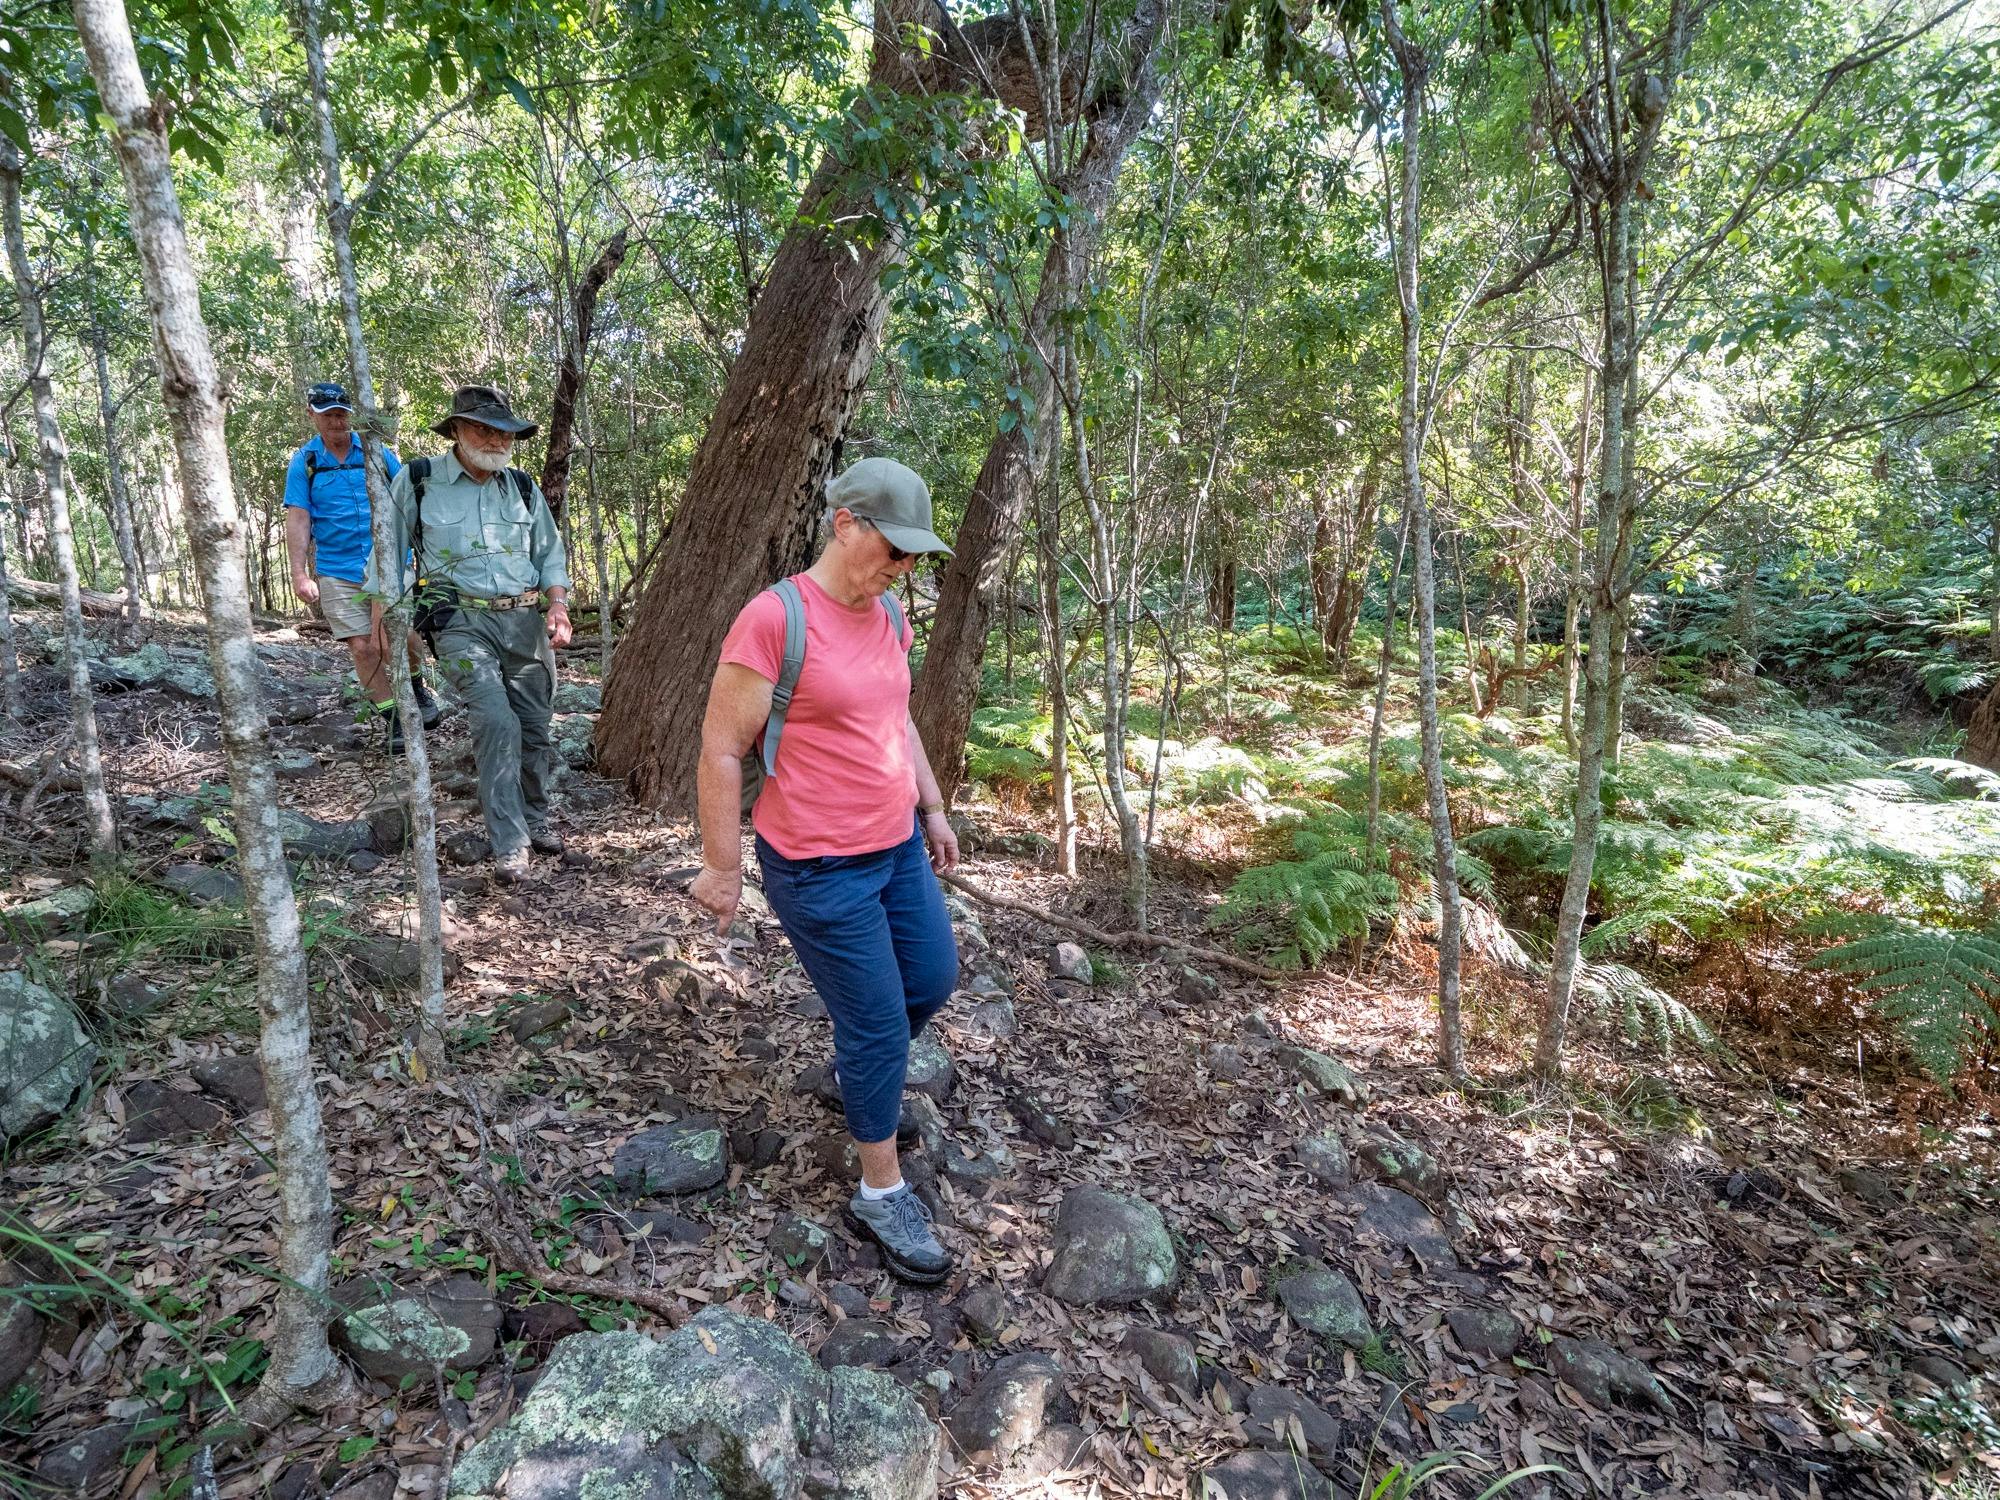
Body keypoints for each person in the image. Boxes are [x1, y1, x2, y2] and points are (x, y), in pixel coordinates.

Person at [692, 457, 962, 1285]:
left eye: (916, 555)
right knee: (880, 1021)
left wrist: (933, 805)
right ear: (846, 523)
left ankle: (861, 1077)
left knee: (934, 978)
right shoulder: (775, 619)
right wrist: (721, 866)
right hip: (816, 864)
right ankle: (880, 1191)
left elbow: (898, 716)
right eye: (895, 547)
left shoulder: (890, 616)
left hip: (894, 848)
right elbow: (721, 747)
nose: (906, 566)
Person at [369, 385, 572, 884]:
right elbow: (387, 555)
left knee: (535, 726)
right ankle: (510, 843)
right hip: (458, 622)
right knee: (495, 720)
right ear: (457, 430)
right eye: (484, 427)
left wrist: (559, 605)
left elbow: (548, 552)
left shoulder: (521, 487)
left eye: (505, 431)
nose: (498, 439)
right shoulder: (418, 481)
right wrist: (390, 625)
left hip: (524, 622)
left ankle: (536, 818)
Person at [283, 380, 441, 751]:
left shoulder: (375, 453)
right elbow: (299, 517)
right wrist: (299, 573)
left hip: (388, 558)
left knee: (394, 638)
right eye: (328, 416)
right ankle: (394, 720)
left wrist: (423, 554)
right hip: (338, 567)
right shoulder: (305, 462)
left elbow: (408, 499)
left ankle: (417, 684)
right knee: (361, 647)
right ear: (312, 416)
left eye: (341, 415)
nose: (336, 422)